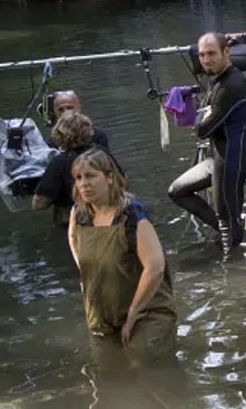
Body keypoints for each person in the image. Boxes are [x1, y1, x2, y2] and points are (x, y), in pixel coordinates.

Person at [68, 149, 176, 365]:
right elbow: (73, 237)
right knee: (108, 372)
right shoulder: (79, 213)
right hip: (102, 308)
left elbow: (154, 268)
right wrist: (87, 273)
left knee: (146, 363)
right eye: (79, 178)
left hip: (146, 310)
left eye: (90, 176)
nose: (83, 184)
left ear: (109, 178)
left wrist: (133, 313)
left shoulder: (132, 216)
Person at [167, 32, 246, 251]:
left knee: (226, 216)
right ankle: (236, 235)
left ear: (226, 52)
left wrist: (203, 116)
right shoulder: (217, 80)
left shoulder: (230, 86)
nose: (206, 59)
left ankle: (231, 267)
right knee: (177, 190)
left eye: (211, 53)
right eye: (202, 54)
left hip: (233, 159)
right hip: (217, 157)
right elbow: (205, 120)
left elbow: (203, 130)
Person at [33, 111, 99, 226]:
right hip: (106, 215)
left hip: (73, 221)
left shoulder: (59, 163)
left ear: (58, 134)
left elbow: (39, 204)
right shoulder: (102, 154)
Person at [44, 90, 109, 150]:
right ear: (54, 112)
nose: (66, 112)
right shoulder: (51, 144)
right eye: (60, 110)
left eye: (69, 108)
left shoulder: (97, 136)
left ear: (78, 108)